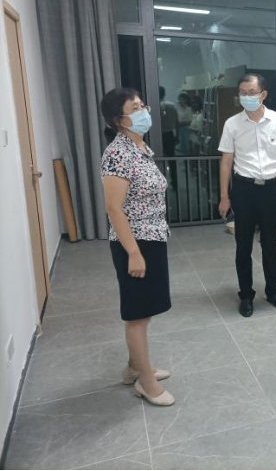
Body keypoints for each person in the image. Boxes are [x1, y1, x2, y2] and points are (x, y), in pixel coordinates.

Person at [100, 88, 175, 407]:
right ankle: (146, 383)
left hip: (152, 237)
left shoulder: (140, 147)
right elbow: (114, 208)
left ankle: (134, 368)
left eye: (143, 105)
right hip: (135, 241)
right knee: (138, 316)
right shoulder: (117, 153)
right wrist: (133, 253)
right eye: (135, 108)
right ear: (119, 120)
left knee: (144, 309)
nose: (144, 111)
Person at [218, 73, 276, 318]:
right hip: (244, 189)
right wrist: (224, 196)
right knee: (243, 245)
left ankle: (273, 291)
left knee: (270, 244)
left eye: (251, 93)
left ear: (263, 94)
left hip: (272, 188)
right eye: (243, 93)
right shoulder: (232, 124)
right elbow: (226, 161)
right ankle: (246, 295)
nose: (247, 97)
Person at [159, 86, 179, 157]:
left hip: (158, 134)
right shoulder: (172, 105)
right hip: (170, 134)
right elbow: (177, 122)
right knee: (171, 155)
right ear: (164, 94)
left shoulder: (154, 106)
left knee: (159, 155)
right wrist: (177, 136)